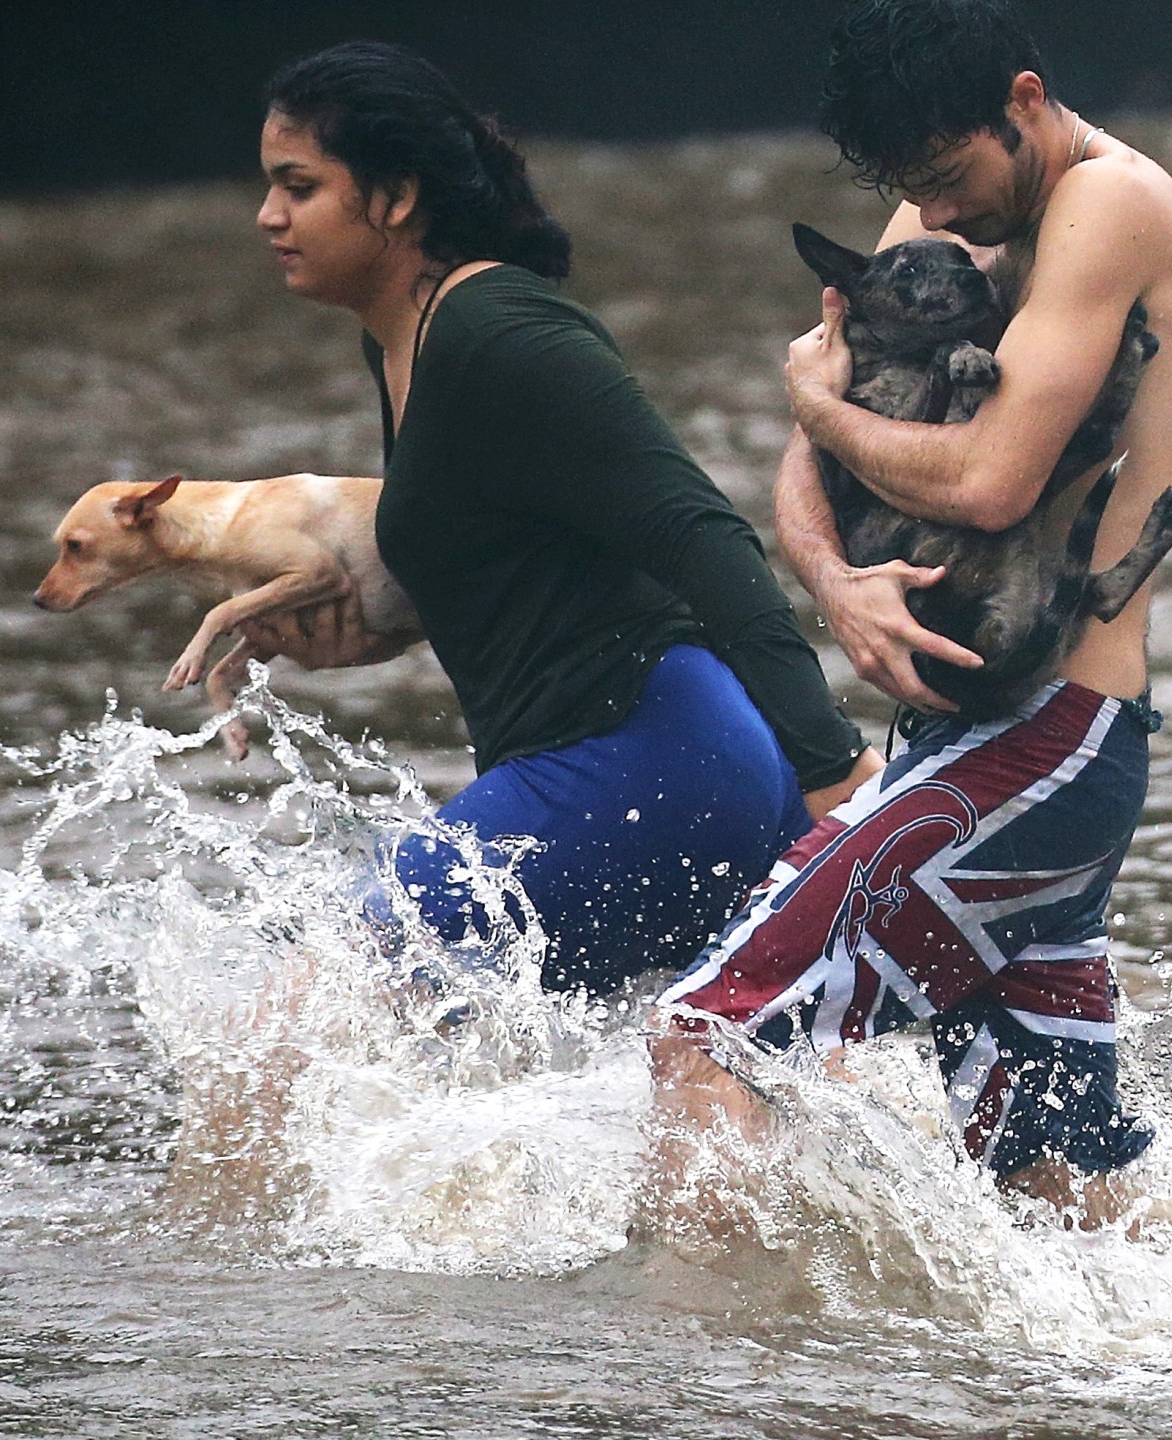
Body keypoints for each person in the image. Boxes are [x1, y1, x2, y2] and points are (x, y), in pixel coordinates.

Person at [654, 0, 1172, 1217]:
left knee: (704, 1036)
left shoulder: (1108, 204)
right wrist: (835, 580)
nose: (940, 218)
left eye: (951, 179)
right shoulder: (944, 200)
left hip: (1046, 740)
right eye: (913, 188)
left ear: (1024, 101)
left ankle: (716, 1393)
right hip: (985, 749)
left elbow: (985, 478)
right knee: (1049, 1201)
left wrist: (818, 413)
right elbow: (825, 419)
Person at [251, 42, 879, 994]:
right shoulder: (400, 344)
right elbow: (527, 557)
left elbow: (699, 533)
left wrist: (834, 770)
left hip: (656, 760)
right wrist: (375, 630)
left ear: (394, 197)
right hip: (642, 771)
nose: (268, 216)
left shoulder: (500, 333)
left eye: (299, 186)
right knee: (675, 1093)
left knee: (306, 988)